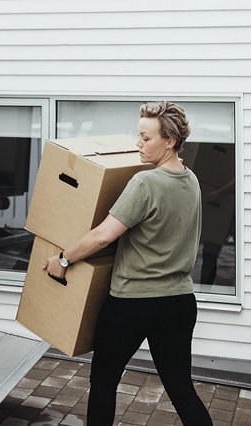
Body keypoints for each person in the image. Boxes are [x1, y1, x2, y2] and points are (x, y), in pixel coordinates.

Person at [44, 101, 213, 425]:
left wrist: (62, 259)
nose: (138, 144)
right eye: (138, 135)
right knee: (181, 389)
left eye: (146, 137)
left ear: (170, 141)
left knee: (104, 383)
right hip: (179, 302)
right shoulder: (190, 180)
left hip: (133, 304)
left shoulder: (145, 183)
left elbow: (102, 236)